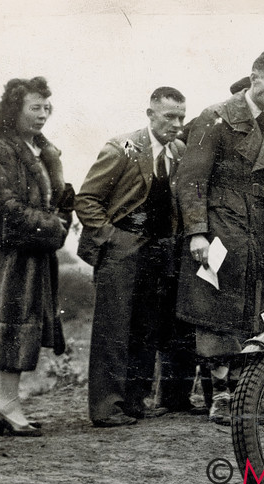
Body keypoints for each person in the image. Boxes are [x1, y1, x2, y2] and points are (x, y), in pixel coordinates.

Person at [173, 50, 264, 424]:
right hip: (220, 227)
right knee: (215, 308)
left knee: (253, 309)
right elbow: (191, 179)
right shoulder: (215, 117)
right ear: (254, 76)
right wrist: (197, 232)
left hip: (259, 230)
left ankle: (245, 390)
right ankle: (222, 395)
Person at [75, 87, 189, 427]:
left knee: (147, 327)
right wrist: (111, 238)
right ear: (150, 114)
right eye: (169, 116)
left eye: (181, 117)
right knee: (113, 328)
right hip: (122, 250)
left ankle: (136, 402)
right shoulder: (123, 147)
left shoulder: (179, 152)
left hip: (158, 251)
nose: (177, 124)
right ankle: (107, 408)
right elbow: (86, 200)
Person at [0, 76, 73, 437]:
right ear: (14, 111)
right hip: (8, 260)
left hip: (34, 257)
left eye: (47, 108)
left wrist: (61, 217)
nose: (43, 114)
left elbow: (56, 203)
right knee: (11, 326)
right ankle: (9, 406)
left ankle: (2, 405)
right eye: (35, 108)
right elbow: (4, 214)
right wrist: (55, 227)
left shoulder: (43, 153)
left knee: (16, 326)